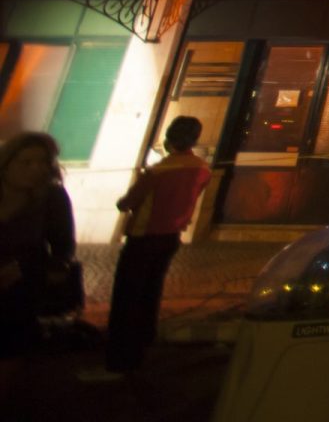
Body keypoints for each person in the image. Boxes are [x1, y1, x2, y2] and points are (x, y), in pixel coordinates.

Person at [92, 116, 211, 379]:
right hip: (171, 236)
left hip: (144, 236)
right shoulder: (202, 168)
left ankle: (120, 359)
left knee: (127, 297)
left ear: (169, 139)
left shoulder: (158, 171)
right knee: (151, 290)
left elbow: (127, 203)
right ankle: (145, 341)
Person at [0, 133, 75, 388]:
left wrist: (51, 269)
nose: (36, 169)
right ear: (7, 163)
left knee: (10, 348)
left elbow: (63, 246)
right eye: (26, 162)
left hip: (21, 286)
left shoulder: (51, 198)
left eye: (43, 162)